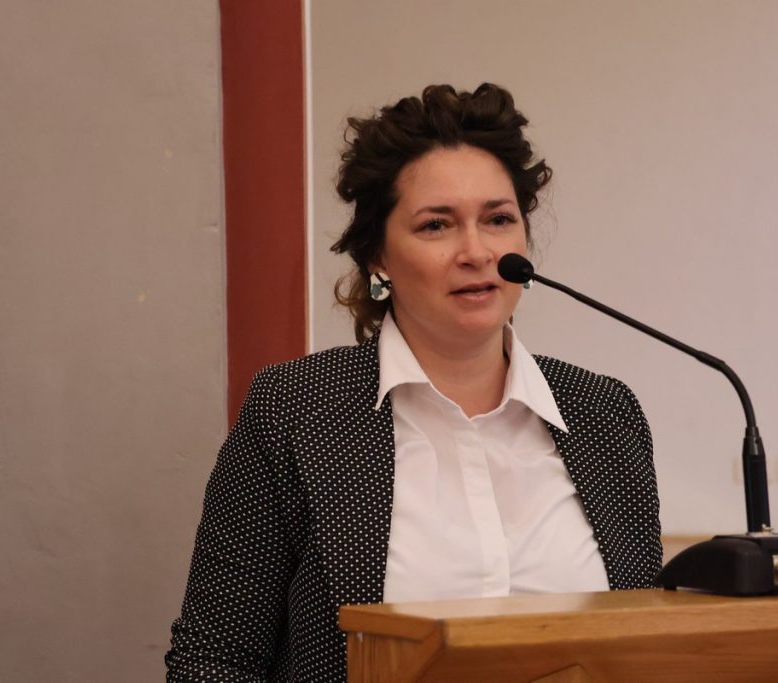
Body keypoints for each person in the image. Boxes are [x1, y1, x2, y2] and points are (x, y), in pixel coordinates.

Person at [166, 83, 661, 682]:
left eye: (498, 220)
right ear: (378, 257)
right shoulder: (297, 409)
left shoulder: (603, 413)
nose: (476, 251)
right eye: (436, 225)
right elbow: (214, 660)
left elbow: (649, 646)